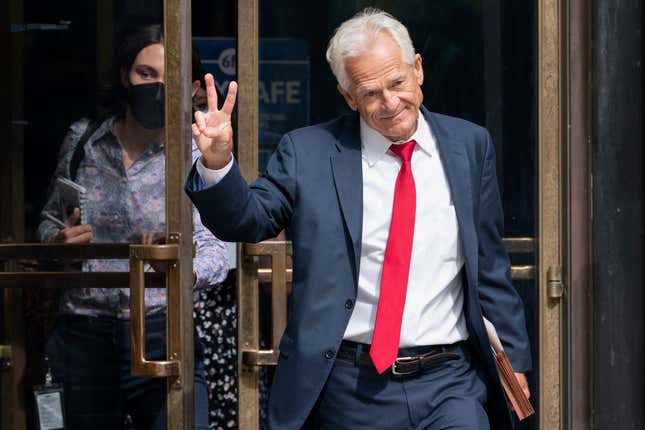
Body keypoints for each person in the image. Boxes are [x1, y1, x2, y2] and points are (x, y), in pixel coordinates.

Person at [186, 8, 531, 430]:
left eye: (398, 83)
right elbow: (248, 222)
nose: (390, 103)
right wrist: (219, 164)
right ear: (348, 96)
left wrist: (513, 360)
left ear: (417, 69)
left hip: (450, 381)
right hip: (351, 387)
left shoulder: (470, 146)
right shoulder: (308, 152)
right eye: (370, 93)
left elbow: (490, 267)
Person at [38, 21, 229, 429]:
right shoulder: (84, 141)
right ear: (126, 75)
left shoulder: (198, 149)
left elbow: (218, 246)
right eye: (146, 74)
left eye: (169, 78)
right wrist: (58, 242)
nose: (156, 87)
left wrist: (179, 266)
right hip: (83, 330)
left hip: (162, 326)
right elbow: (50, 220)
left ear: (193, 87)